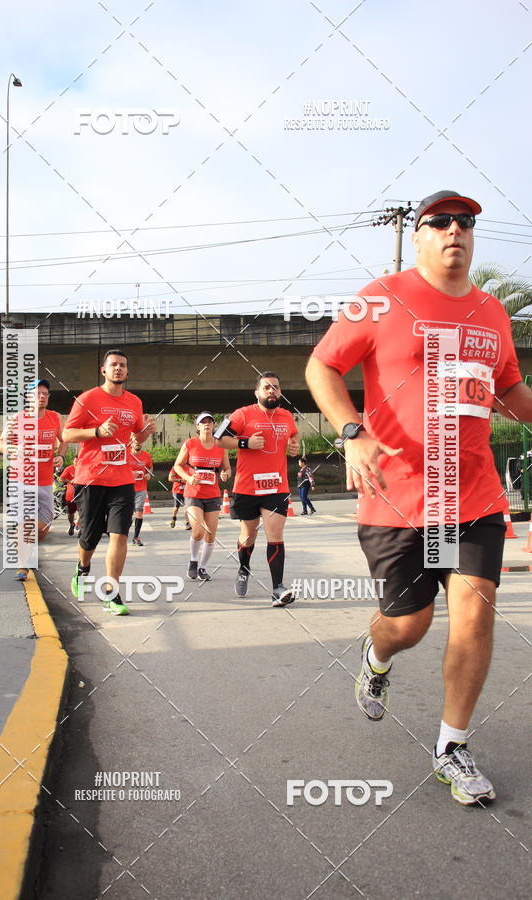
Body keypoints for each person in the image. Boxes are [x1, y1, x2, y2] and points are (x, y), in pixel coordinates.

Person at [306, 189, 532, 805]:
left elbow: (508, 388)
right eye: (440, 221)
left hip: (472, 498)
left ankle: (452, 746)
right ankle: (377, 653)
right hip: (397, 498)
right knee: (409, 624)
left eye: (466, 222)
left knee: (474, 614)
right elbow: (322, 367)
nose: (455, 230)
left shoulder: (492, 312)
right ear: (419, 235)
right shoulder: (382, 296)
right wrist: (352, 431)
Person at [62, 349, 156, 615]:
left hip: (122, 479)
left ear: (127, 371)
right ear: (103, 370)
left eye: (122, 365)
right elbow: (67, 434)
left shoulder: (134, 402)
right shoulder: (87, 399)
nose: (118, 368)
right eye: (113, 364)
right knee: (89, 537)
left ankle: (111, 593)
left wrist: (145, 433)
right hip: (90, 477)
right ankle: (82, 569)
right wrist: (96, 431)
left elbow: (136, 439)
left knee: (120, 534)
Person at [216, 372, 300, 605]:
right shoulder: (242, 414)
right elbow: (219, 439)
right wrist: (246, 443)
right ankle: (244, 568)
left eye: (276, 387)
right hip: (247, 486)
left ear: (280, 392)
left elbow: (294, 434)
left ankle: (278, 589)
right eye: (266, 387)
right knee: (248, 536)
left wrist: (294, 444)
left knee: (275, 534)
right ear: (257, 393)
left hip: (276, 487)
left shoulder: (286, 416)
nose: (271, 390)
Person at [0, 379, 66, 581]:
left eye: (45, 394)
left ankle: (24, 544)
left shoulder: (55, 418)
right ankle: (23, 565)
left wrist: (61, 456)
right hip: (21, 479)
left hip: (45, 481)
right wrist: (13, 449)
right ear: (28, 397)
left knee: (44, 526)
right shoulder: (17, 419)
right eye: (37, 394)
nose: (42, 397)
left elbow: (64, 440)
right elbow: (0, 443)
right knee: (24, 523)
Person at [174, 412, 231, 581]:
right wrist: (188, 477)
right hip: (193, 493)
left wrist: (225, 474)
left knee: (210, 534)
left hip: (213, 494)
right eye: (203, 422)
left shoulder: (221, 446)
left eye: (210, 422)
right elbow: (177, 466)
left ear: (214, 425)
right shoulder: (190, 444)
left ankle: (202, 567)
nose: (207, 424)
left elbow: (227, 468)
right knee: (198, 530)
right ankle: (193, 560)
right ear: (197, 426)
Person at [130, 438, 153, 546]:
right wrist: (130, 473)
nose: (138, 443)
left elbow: (150, 467)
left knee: (139, 511)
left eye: (140, 442)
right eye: (136, 441)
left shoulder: (147, 456)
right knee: (127, 514)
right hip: (128, 488)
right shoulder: (126, 455)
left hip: (141, 488)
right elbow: (119, 468)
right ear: (131, 442)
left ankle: (136, 537)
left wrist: (149, 474)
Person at [168, 463, 191, 529]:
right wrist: (180, 480)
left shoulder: (189, 467)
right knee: (176, 507)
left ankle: (187, 523)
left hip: (186, 491)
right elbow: (170, 478)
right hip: (177, 490)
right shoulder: (175, 467)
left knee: (186, 507)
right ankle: (174, 518)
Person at [59, 456, 79, 536]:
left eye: (78, 461)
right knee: (71, 512)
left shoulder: (83, 468)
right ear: (73, 461)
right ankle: (72, 524)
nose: (76, 463)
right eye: (75, 461)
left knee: (82, 511)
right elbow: (61, 479)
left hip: (81, 495)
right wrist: (70, 481)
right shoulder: (69, 469)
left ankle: (80, 526)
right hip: (70, 495)